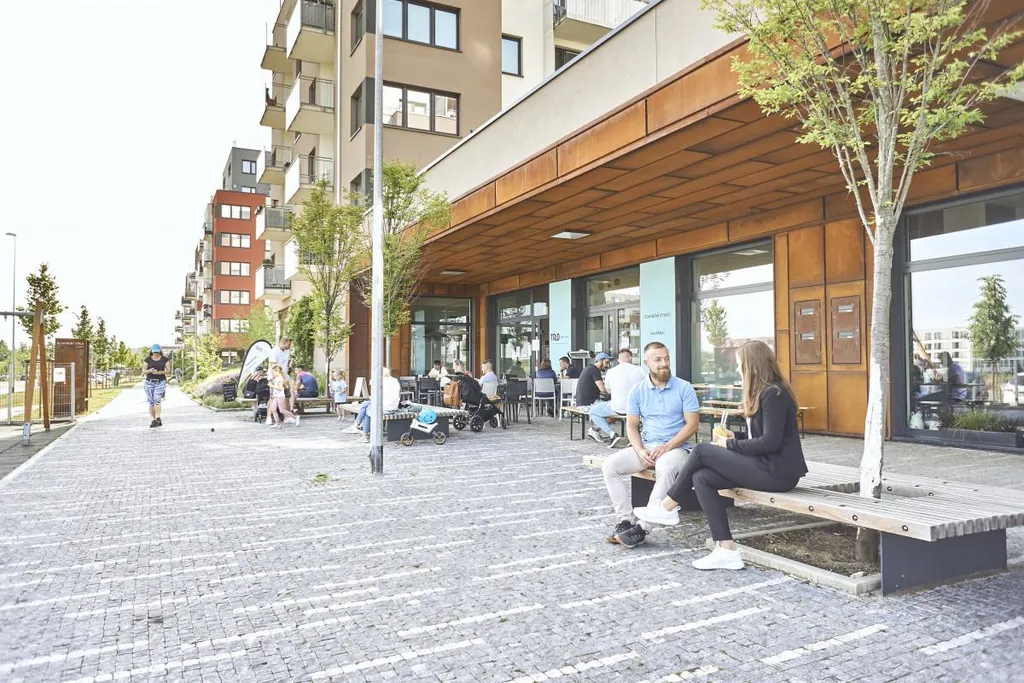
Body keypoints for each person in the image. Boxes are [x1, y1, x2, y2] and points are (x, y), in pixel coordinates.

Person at [634, 340, 808, 570]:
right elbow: (760, 437)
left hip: (778, 473)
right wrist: (735, 437)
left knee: (700, 450)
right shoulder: (762, 393)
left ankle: (668, 505)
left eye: (739, 364)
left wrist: (729, 444)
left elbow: (770, 442)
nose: (737, 369)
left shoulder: (774, 394)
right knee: (702, 477)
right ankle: (726, 549)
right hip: (764, 465)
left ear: (753, 365)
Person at [602, 341, 700, 549]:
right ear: (647, 363)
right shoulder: (637, 391)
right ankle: (625, 521)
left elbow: (692, 425)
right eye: (658, 360)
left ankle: (643, 528)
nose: (664, 363)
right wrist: (640, 451)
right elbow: (631, 426)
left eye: (666, 358)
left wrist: (667, 447)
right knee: (609, 466)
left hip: (676, 449)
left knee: (666, 467)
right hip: (646, 447)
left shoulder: (684, 388)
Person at [589, 348, 646, 448]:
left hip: (618, 408)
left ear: (619, 360)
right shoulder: (641, 370)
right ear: (631, 358)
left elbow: (608, 391)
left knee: (593, 411)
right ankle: (636, 435)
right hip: (637, 409)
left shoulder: (611, 371)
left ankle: (612, 434)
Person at [346, 368, 402, 443]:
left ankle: (364, 435)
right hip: (392, 406)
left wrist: (372, 384)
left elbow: (377, 397)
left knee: (367, 411)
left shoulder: (381, 382)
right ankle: (356, 426)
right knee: (366, 404)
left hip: (385, 407)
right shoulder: (394, 380)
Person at [142, 345, 171, 428]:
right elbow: (143, 371)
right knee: (151, 402)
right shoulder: (147, 360)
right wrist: (149, 370)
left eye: (157, 352)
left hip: (160, 382)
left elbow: (168, 371)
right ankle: (153, 420)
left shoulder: (165, 359)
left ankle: (158, 418)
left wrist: (159, 372)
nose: (156, 353)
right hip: (149, 382)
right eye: (154, 352)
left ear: (160, 351)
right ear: (152, 351)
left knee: (157, 399)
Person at [267, 363, 299, 428]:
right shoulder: (276, 378)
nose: (272, 373)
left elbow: (280, 388)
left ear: (277, 371)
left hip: (280, 396)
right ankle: (277, 423)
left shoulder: (280, 378)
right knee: (273, 409)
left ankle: (295, 417)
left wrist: (271, 385)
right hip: (276, 396)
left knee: (281, 410)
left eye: (273, 372)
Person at [270, 337, 294, 407]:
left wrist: (290, 363)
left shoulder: (287, 351)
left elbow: (287, 362)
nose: (289, 346)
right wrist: (278, 378)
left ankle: (287, 412)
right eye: (288, 344)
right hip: (276, 377)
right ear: (284, 342)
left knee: (288, 395)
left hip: (285, 376)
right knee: (274, 398)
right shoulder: (274, 351)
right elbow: (273, 366)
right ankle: (270, 413)